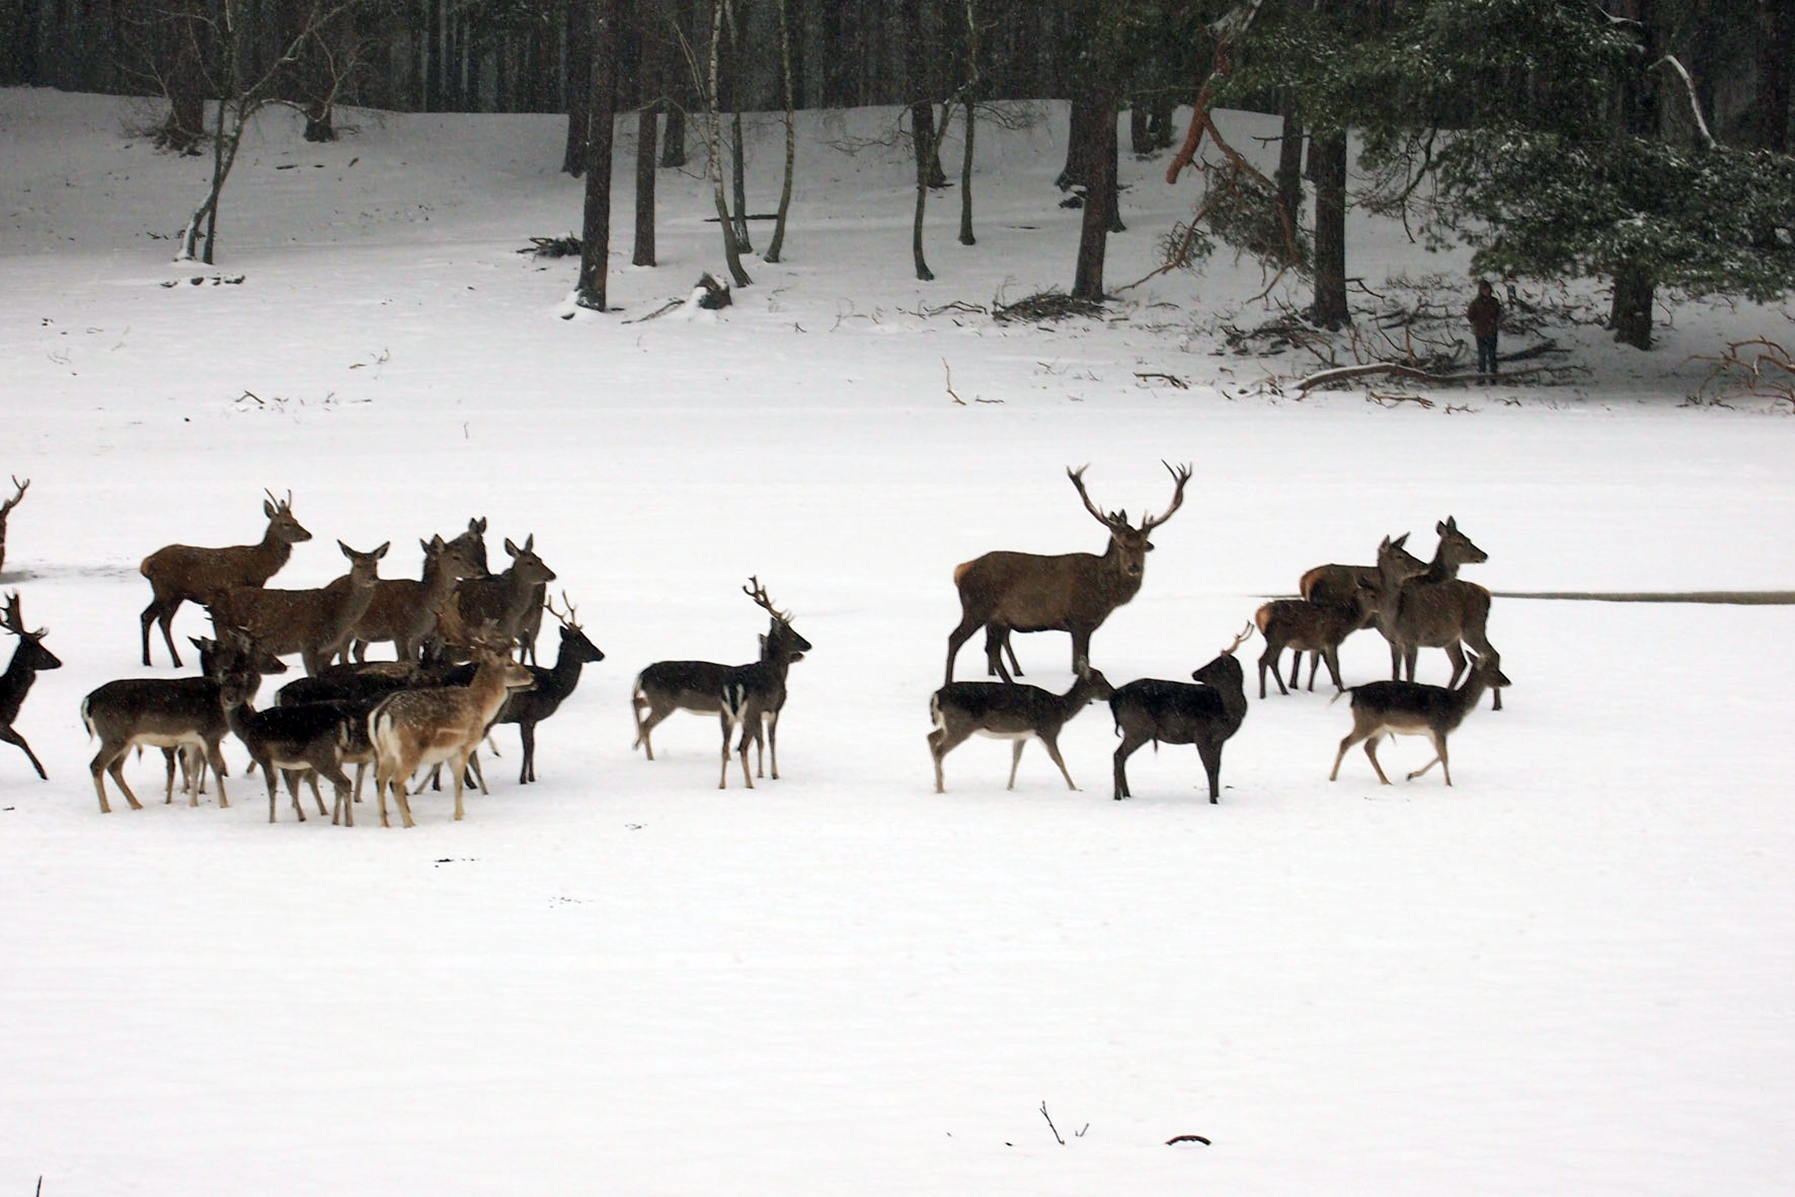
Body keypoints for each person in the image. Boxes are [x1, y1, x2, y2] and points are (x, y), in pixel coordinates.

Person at [1466, 279, 1501, 384]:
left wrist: (1493, 321)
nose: (1486, 291)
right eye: (1484, 289)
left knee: (1492, 354)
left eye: (1488, 289)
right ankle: (1481, 376)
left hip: (1491, 331)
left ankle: (1493, 377)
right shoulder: (1475, 303)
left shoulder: (1494, 301)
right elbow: (1470, 315)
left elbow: (1498, 313)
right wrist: (1477, 323)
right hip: (1480, 332)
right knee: (1482, 355)